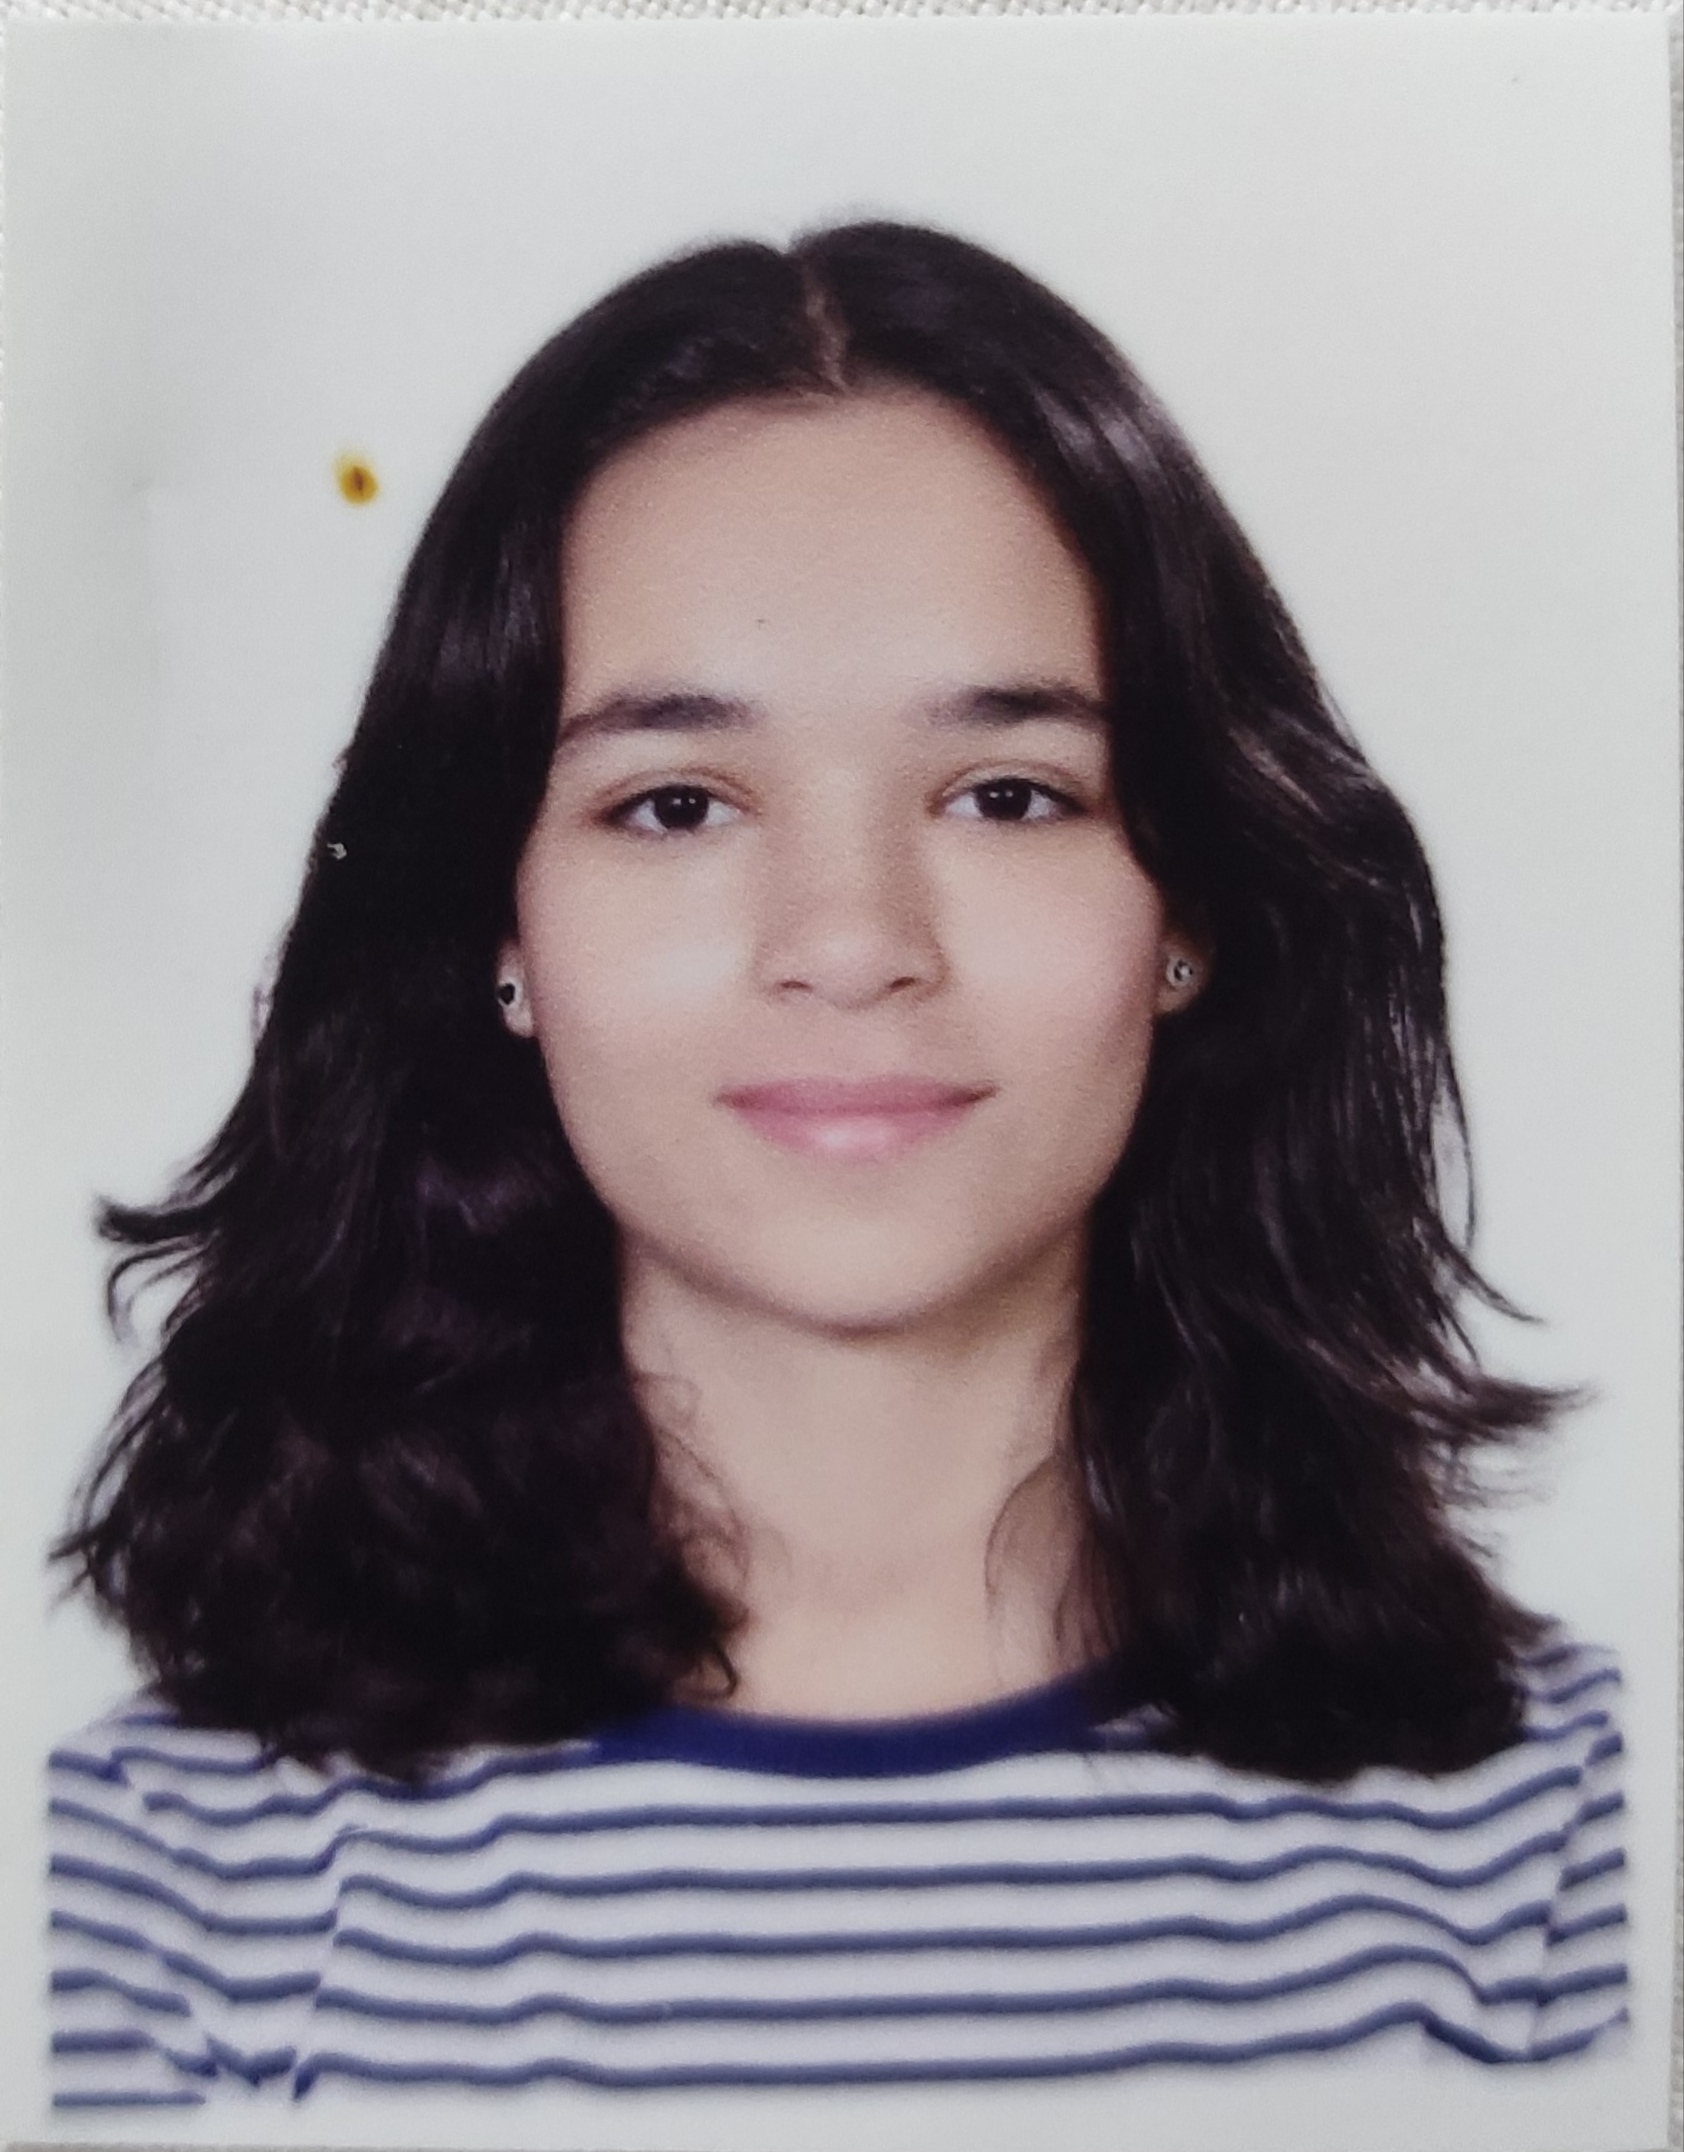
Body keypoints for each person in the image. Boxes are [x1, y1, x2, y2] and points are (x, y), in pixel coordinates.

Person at [46, 222, 1626, 2110]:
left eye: (1008, 795)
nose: (854, 942)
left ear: (1189, 909)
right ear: (500, 927)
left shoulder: (1566, 1843)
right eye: (677, 805)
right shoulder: (139, 1903)